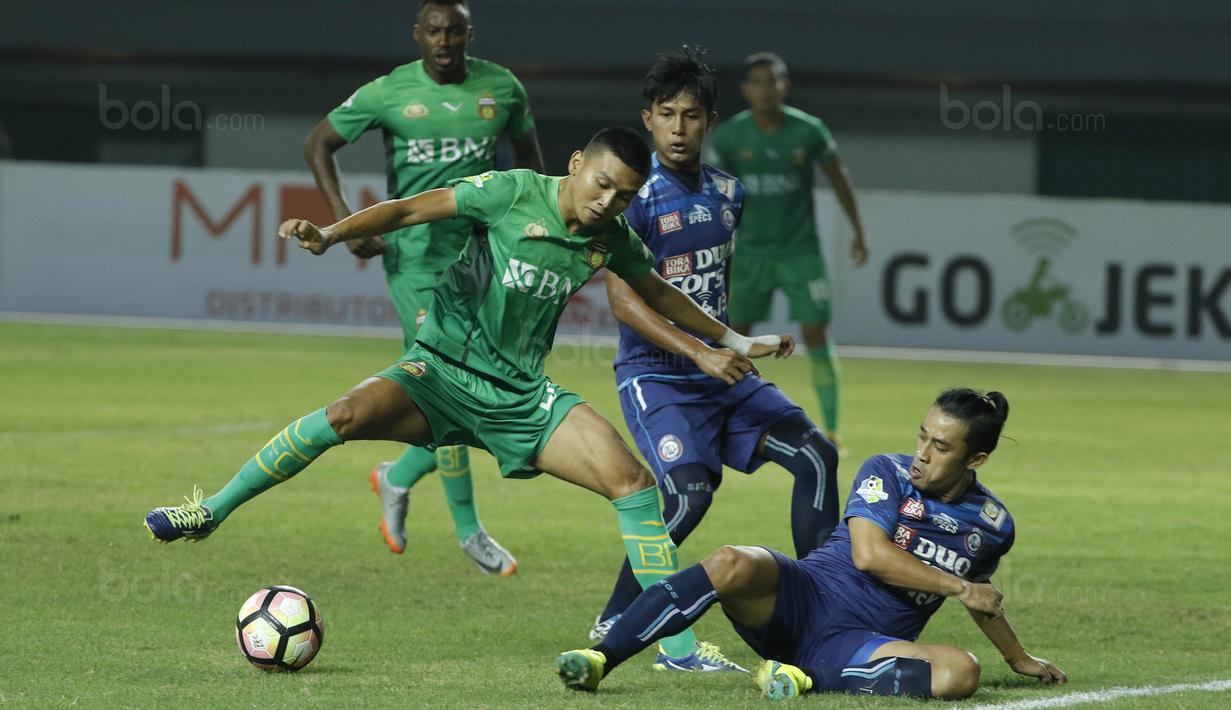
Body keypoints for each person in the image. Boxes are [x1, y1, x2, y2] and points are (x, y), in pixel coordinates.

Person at [145, 129, 786, 664]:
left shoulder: (610, 238)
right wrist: (332, 234)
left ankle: (678, 650)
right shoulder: (510, 193)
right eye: (601, 184)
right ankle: (210, 512)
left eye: (623, 195)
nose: (608, 202)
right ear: (575, 166)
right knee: (342, 415)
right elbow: (405, 210)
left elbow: (659, 292)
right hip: (440, 375)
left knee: (633, 483)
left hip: (521, 398)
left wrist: (732, 339)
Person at [557, 388, 1069, 701]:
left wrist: (1017, 657)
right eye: (921, 437)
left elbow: (980, 593)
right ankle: (599, 658)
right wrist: (957, 587)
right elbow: (870, 555)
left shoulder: (992, 523)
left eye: (940, 446)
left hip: (863, 642)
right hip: (803, 596)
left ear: (975, 460)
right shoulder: (886, 471)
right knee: (733, 561)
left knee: (961, 673)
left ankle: (800, 677)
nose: (921, 454)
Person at [587, 48, 840, 672]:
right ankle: (620, 620)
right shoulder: (636, 197)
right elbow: (624, 300)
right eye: (667, 114)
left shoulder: (731, 192)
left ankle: (826, 607)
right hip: (659, 377)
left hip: (719, 372)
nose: (678, 128)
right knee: (687, 496)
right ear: (647, 119)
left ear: (710, 121)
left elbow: (707, 291)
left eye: (692, 115)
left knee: (817, 454)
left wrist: (741, 344)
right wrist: (703, 352)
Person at [303, 0, 546, 574]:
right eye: (433, 31)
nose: (444, 40)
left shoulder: (502, 89)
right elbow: (318, 142)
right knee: (448, 381)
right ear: (418, 35)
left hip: (482, 258)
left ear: (468, 34)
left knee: (492, 382)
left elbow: (531, 164)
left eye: (454, 30)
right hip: (413, 259)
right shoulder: (390, 92)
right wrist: (343, 220)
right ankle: (469, 532)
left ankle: (399, 474)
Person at [709, 52, 869, 452]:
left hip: (801, 252)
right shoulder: (730, 137)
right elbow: (712, 192)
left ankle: (831, 431)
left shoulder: (808, 131)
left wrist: (858, 231)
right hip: (750, 254)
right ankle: (720, 416)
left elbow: (839, 178)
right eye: (758, 82)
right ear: (746, 90)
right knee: (736, 334)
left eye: (774, 80)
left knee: (815, 332)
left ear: (785, 86)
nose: (767, 88)